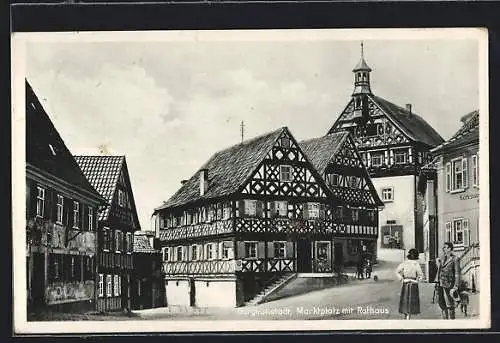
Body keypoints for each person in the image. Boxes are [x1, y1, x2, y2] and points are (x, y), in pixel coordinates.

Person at [434, 242, 461, 319]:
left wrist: (456, 286)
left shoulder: (455, 259)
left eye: (445, 247)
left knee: (450, 305)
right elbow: (439, 271)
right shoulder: (442, 259)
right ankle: (445, 321)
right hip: (441, 284)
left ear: (450, 249)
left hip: (449, 285)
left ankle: (452, 323)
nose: (443, 249)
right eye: (443, 247)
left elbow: (457, 273)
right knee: (442, 305)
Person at [396, 248, 423, 320]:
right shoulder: (415, 264)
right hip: (412, 283)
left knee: (406, 299)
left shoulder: (406, 263)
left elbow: (397, 271)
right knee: (410, 300)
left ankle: (406, 315)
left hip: (407, 282)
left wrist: (401, 279)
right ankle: (408, 315)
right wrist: (417, 280)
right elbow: (420, 275)